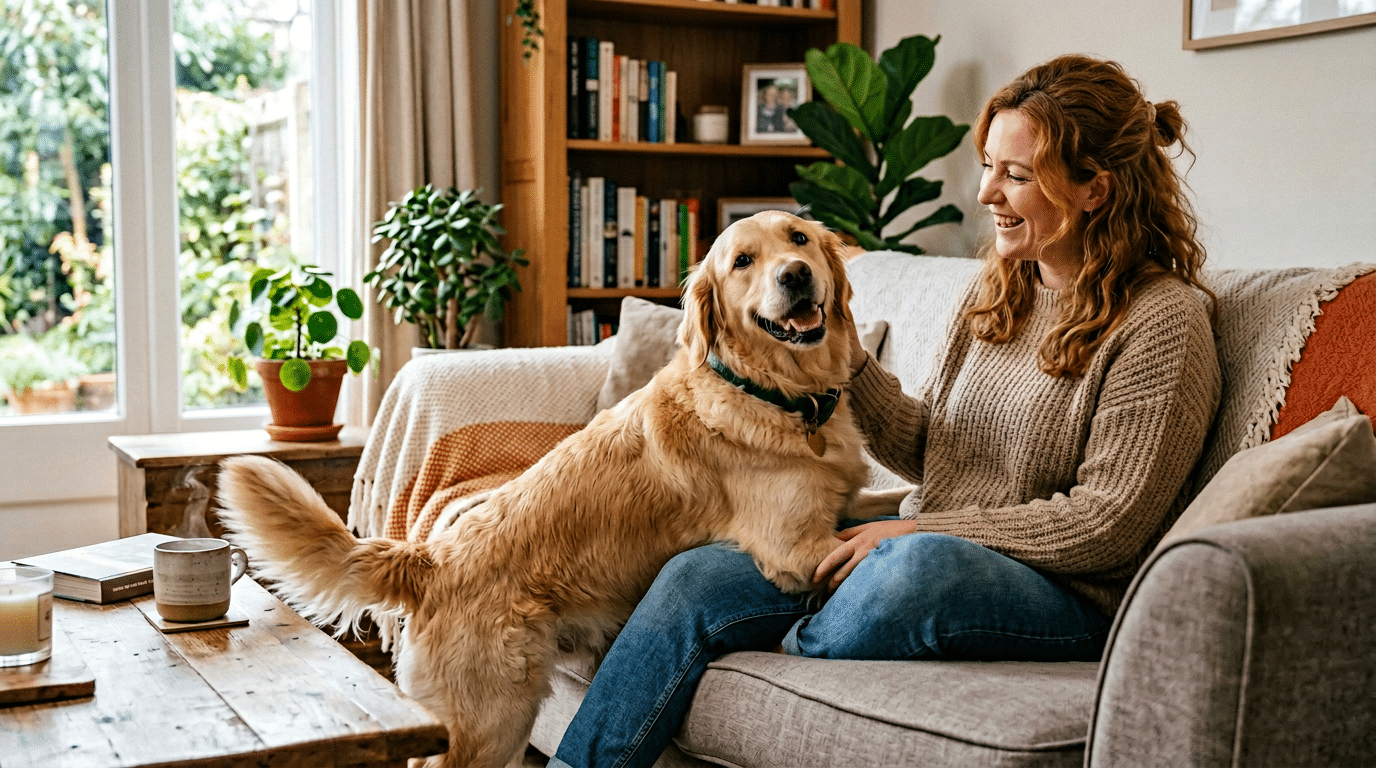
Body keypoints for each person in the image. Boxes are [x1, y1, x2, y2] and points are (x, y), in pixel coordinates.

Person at [549, 53, 1222, 768]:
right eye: (988, 166)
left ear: (1095, 189)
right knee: (695, 576)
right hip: (921, 547)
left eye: (1017, 175)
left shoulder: (1162, 323)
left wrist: (914, 528)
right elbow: (936, 450)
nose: (987, 192)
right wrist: (841, 353)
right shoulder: (1002, 291)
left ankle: (794, 634)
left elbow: (1107, 524)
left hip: (1064, 593)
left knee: (913, 569)